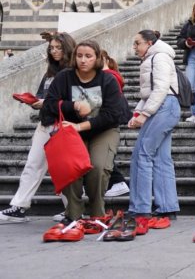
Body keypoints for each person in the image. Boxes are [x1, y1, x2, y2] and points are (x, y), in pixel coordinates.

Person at [43, 40, 122, 235]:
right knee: (71, 166)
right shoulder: (64, 78)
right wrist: (74, 106)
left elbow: (112, 114)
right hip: (71, 132)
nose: (83, 60)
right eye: (79, 56)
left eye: (88, 56)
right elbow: (49, 104)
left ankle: (97, 213)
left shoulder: (108, 81)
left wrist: (80, 125)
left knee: (98, 166)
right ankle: (74, 214)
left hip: (102, 130)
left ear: (97, 58)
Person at [0, 33, 76, 222]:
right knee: (33, 164)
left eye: (59, 47)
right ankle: (19, 206)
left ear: (67, 48)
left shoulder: (73, 72)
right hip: (45, 123)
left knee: (64, 170)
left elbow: (74, 102)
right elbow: (42, 94)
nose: (55, 51)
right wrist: (34, 101)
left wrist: (45, 102)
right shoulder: (50, 71)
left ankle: (73, 210)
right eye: (52, 48)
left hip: (63, 125)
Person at [129, 30, 181, 227]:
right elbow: (153, 92)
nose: (135, 48)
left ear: (149, 43)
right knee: (161, 158)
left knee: (142, 155)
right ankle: (167, 207)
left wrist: (144, 114)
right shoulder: (157, 56)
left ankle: (140, 208)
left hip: (164, 106)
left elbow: (160, 88)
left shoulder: (158, 57)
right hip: (165, 106)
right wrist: (138, 112)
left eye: (137, 43)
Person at [100, 49, 130, 198]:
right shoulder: (111, 74)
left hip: (108, 116)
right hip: (110, 115)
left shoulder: (108, 75)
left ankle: (118, 182)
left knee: (104, 152)